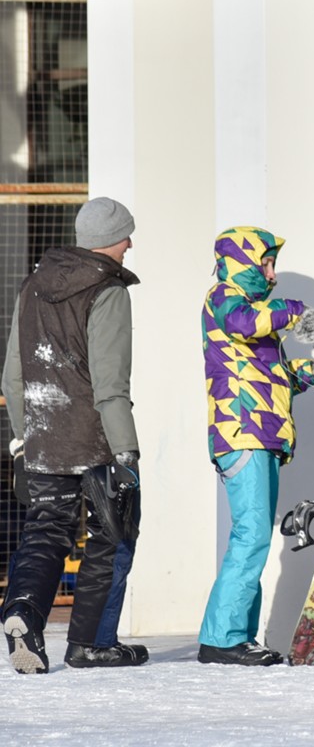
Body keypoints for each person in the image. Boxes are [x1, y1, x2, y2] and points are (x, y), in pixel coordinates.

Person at [198, 227, 314, 666]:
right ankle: (223, 639)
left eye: (273, 265)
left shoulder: (255, 318)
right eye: (265, 263)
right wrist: (295, 311)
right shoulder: (224, 300)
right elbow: (246, 323)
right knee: (251, 535)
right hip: (242, 432)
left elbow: (275, 378)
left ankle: (235, 636)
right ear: (242, 263)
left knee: (253, 536)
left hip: (261, 434)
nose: (271, 274)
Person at [0, 196, 144, 672]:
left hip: (43, 435)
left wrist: (22, 441)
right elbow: (110, 384)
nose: (129, 244)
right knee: (113, 533)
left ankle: (23, 611)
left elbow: (12, 378)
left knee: (46, 531)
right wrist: (126, 453)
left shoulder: (34, 284)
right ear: (110, 240)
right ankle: (90, 643)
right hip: (95, 439)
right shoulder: (108, 289)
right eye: (125, 236)